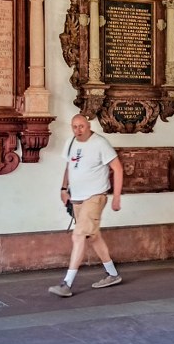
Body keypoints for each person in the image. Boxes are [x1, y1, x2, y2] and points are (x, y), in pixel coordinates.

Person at [50, 114, 124, 297]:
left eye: (81, 126)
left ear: (88, 126)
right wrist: (64, 188)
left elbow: (118, 168)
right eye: (74, 126)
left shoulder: (100, 143)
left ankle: (66, 284)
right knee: (93, 236)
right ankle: (113, 274)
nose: (78, 130)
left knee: (78, 236)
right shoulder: (70, 142)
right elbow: (69, 167)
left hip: (95, 196)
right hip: (77, 198)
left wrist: (116, 197)